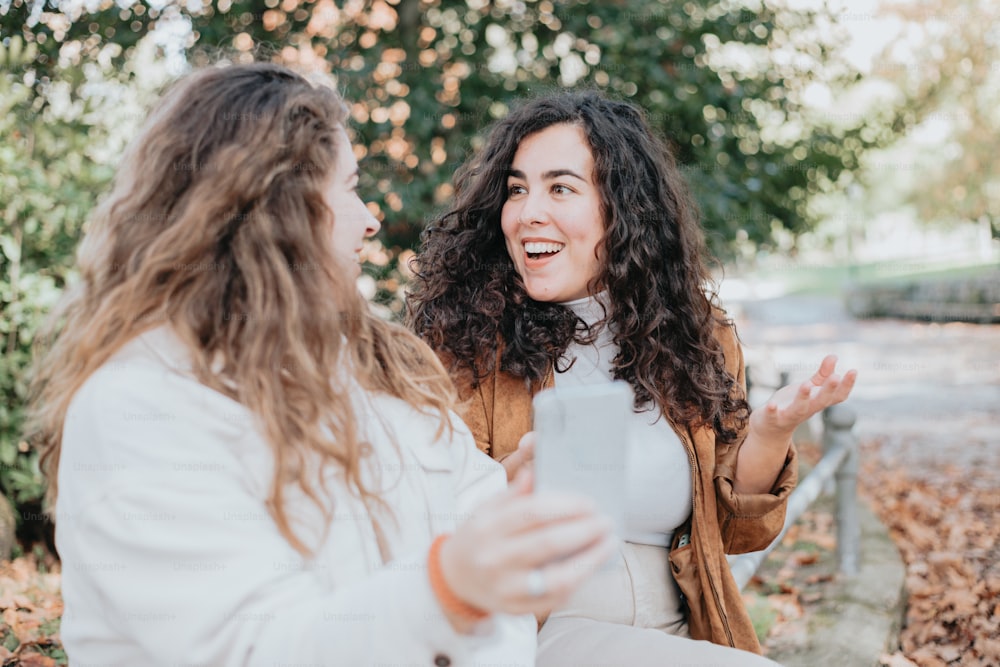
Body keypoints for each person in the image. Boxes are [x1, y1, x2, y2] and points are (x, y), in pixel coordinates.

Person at [26, 64, 617, 667]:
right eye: (350, 187)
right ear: (278, 208)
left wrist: (510, 503)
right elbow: (249, 649)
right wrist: (449, 589)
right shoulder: (142, 406)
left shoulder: (372, 371)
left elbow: (470, 536)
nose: (370, 219)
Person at [407, 91, 857, 665]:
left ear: (623, 208)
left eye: (561, 187)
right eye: (517, 189)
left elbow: (738, 535)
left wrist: (772, 430)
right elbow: (416, 529)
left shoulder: (698, 334)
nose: (526, 213)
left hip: (683, 634)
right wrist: (501, 487)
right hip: (536, 636)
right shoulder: (464, 348)